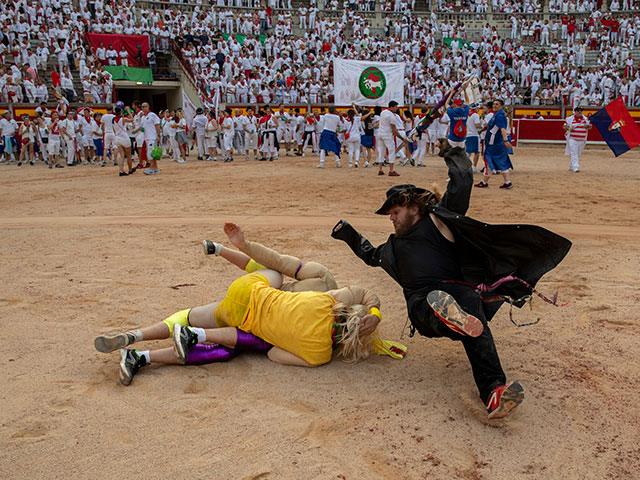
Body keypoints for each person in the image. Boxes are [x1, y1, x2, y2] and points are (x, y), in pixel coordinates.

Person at [331, 140, 572, 419]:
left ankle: (494, 392)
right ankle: (449, 316)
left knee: (475, 328)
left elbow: (462, 181)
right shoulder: (392, 248)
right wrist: (347, 233)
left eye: (395, 213)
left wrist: (452, 151)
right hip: (424, 302)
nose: (392, 220)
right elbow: (369, 254)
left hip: (457, 292)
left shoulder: (437, 220)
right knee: (452, 314)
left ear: (412, 207)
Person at [95, 223, 405, 385]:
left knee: (266, 275)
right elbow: (273, 351)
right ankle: (145, 352)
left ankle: (135, 341)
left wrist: (245, 245)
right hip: (251, 321)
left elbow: (279, 261)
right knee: (230, 342)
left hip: (255, 292)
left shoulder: (325, 291)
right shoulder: (320, 348)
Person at [475, 99, 514, 190]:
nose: (494, 105)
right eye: (494, 104)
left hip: (494, 143)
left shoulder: (499, 115)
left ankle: (485, 182)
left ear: (501, 106)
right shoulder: (497, 114)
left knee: (490, 160)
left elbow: (502, 129)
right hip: (495, 143)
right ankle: (506, 182)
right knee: (499, 161)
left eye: (497, 104)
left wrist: (505, 141)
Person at [377, 101, 407, 176]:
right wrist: (403, 139)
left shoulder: (383, 112)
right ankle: (391, 170)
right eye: (396, 107)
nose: (397, 108)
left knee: (381, 152)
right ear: (392, 107)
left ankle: (380, 170)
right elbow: (394, 130)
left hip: (380, 134)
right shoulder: (392, 116)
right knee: (391, 151)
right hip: (387, 135)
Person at [563, 106, 591, 173]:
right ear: (575, 112)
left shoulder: (585, 119)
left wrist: (587, 126)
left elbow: (590, 126)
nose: (580, 112)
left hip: (582, 139)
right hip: (573, 139)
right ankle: (576, 166)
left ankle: (571, 165)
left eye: (581, 110)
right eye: (578, 111)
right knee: (574, 152)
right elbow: (564, 127)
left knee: (578, 153)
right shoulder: (570, 119)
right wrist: (570, 129)